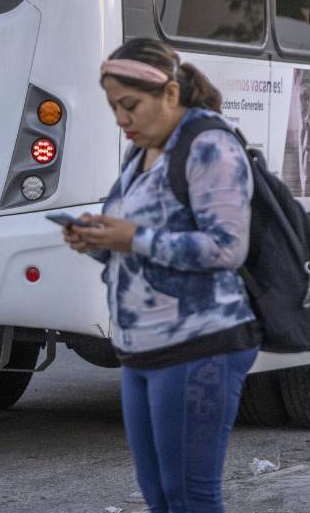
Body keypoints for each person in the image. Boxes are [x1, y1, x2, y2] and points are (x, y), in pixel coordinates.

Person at [61, 38, 258, 513]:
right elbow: (133, 244)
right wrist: (97, 242)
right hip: (140, 349)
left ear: (170, 94)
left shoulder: (209, 145)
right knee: (159, 497)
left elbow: (227, 247)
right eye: (113, 108)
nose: (121, 120)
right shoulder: (142, 154)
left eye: (130, 106)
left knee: (190, 497)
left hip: (199, 344)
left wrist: (132, 238)